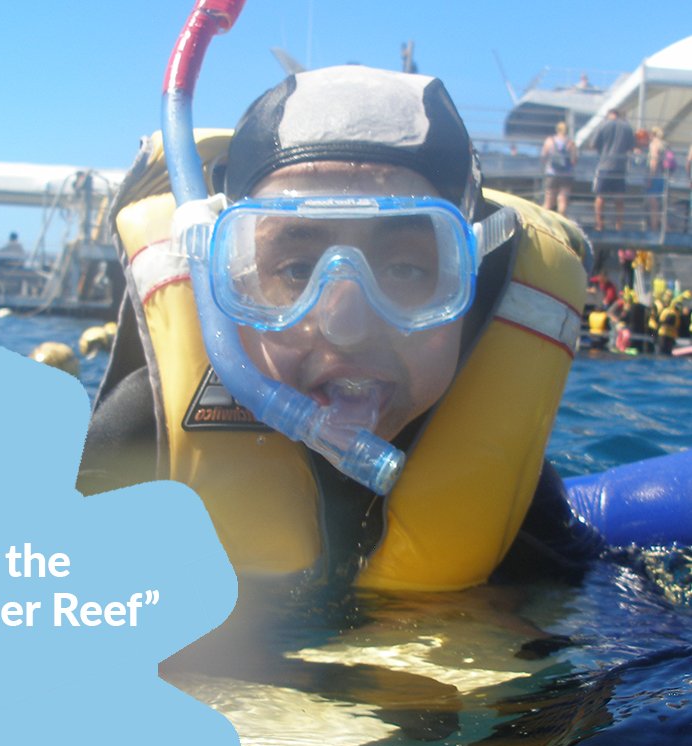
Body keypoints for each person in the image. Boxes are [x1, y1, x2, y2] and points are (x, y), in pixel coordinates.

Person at [79, 65, 598, 594]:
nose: (347, 327)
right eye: (296, 271)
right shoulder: (144, 438)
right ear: (227, 278)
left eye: (405, 270)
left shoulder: (506, 480)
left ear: (469, 277)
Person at [591, 109, 635, 231]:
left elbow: (593, 144)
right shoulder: (627, 127)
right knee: (619, 199)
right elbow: (631, 147)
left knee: (600, 197)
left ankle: (599, 224)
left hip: (604, 165)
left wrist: (602, 149)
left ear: (608, 115)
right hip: (620, 166)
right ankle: (619, 226)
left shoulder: (603, 125)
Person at [541, 121, 577, 216]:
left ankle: (544, 220)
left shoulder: (549, 141)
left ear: (557, 129)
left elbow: (543, 157)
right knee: (562, 200)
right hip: (566, 174)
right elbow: (574, 161)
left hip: (551, 173)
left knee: (548, 200)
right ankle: (560, 219)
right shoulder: (571, 143)